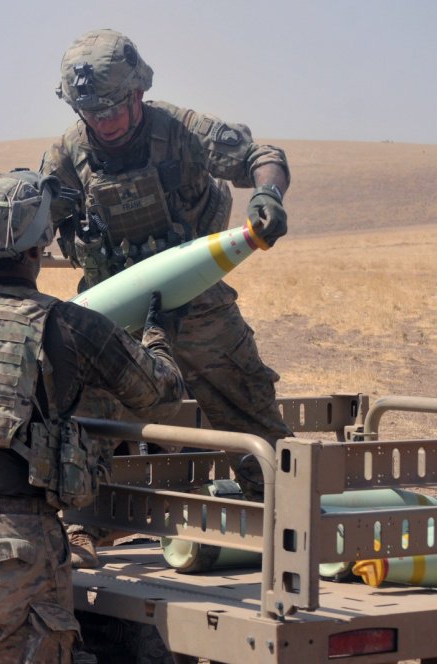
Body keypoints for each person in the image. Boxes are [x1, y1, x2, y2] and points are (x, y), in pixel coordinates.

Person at [0, 170, 185, 662]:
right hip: (13, 547)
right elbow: (160, 394)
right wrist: (157, 334)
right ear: (37, 247)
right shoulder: (70, 323)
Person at [39, 28, 294, 567]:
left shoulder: (181, 131)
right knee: (85, 413)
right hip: (114, 313)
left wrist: (267, 194)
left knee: (247, 404)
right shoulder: (65, 156)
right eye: (91, 111)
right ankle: (81, 528)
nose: (104, 120)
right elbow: (42, 219)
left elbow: (261, 155)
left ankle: (286, 516)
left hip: (197, 302)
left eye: (114, 106)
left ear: (138, 91)